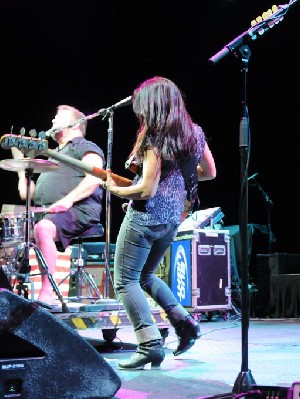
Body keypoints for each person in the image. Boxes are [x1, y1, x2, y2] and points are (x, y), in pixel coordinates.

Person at [103, 76, 216, 370]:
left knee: (125, 281)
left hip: (145, 217)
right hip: (171, 218)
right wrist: (175, 180)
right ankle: (185, 323)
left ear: (151, 106)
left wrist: (115, 189)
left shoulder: (154, 137)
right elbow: (209, 172)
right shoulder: (195, 133)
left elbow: (146, 190)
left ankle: (150, 344)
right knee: (145, 277)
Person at [11, 105, 104, 306]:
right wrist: (21, 167)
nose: (52, 122)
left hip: (79, 209)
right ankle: (13, 290)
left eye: (57, 118)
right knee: (14, 233)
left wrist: (68, 200)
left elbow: (95, 177)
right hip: (50, 212)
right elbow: (27, 194)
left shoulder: (84, 146)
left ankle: (48, 292)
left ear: (75, 124)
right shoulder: (53, 156)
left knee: (43, 228)